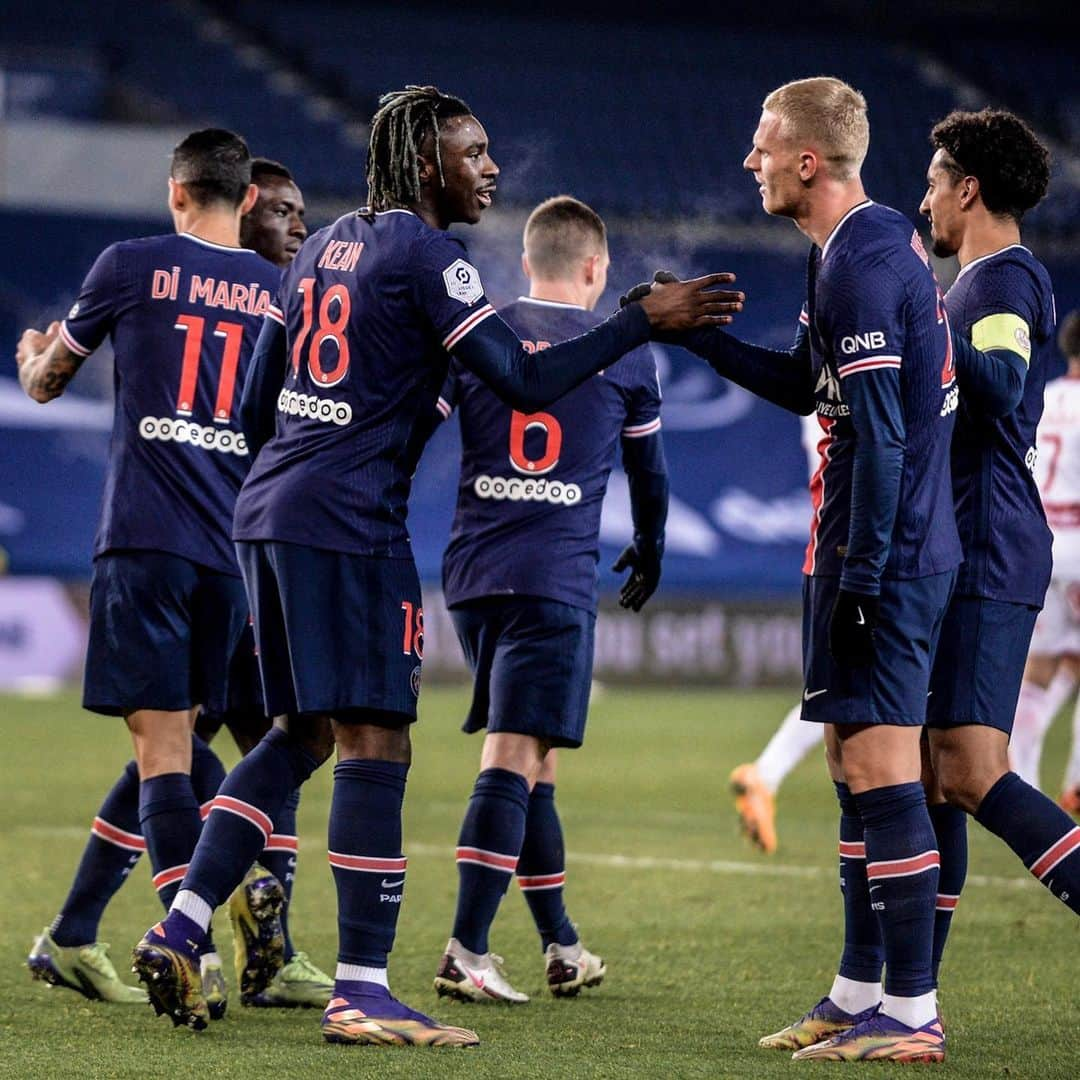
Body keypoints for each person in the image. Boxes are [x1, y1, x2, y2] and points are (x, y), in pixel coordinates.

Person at [130, 85, 740, 1045]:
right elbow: (529, 378)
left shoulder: (327, 242)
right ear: (425, 164)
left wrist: (320, 456)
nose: (491, 168)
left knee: (299, 735)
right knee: (378, 741)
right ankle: (365, 991)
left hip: (273, 509)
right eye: (474, 151)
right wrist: (640, 322)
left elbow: (257, 399)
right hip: (347, 523)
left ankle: (184, 922)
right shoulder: (428, 255)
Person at [631, 77, 961, 1063]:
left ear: (807, 161)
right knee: (847, 766)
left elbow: (891, 440)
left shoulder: (860, 262)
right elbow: (805, 388)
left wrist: (862, 579)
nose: (751, 161)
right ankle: (861, 990)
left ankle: (912, 1011)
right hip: (865, 542)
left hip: (887, 553)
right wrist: (706, 341)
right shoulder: (851, 250)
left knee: (881, 767)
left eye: (763, 145)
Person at [25, 157, 330, 1014]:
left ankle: (159, 939)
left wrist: (35, 356)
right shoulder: (281, 296)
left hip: (192, 546)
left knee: (185, 743)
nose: (299, 227)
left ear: (179, 190)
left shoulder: (141, 267)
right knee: (228, 738)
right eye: (287, 211)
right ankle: (182, 934)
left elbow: (51, 379)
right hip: (233, 553)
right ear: (247, 205)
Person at [429, 195, 666, 1003]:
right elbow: (650, 475)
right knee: (514, 755)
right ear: (597, 269)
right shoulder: (627, 352)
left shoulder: (480, 333)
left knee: (538, 762)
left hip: (471, 577)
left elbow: (414, 426)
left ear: (528, 261)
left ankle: (561, 944)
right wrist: (653, 544)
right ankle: (466, 950)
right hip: (553, 577)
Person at [918, 111, 1078, 995]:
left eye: (936, 181)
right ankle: (911, 1000)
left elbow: (1002, 386)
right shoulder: (977, 284)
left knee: (974, 772)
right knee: (936, 778)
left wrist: (920, 316)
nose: (927, 198)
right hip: (965, 541)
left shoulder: (1003, 283)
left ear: (969, 188)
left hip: (989, 545)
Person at [729, 413, 826, 854]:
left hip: (828, 551)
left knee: (838, 693)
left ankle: (765, 775)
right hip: (871, 555)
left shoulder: (818, 393)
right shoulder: (867, 371)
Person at [1010, 309, 1080, 812]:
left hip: (1042, 547)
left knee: (1037, 675)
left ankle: (1026, 788)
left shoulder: (1045, 398)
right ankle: (1076, 781)